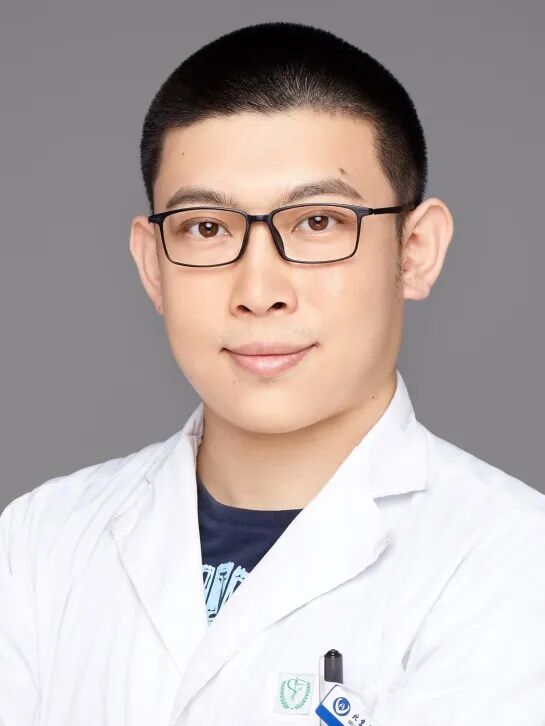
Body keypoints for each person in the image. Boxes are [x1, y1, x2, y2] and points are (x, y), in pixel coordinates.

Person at [1, 20, 544, 726]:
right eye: (206, 227)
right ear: (152, 264)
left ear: (414, 251)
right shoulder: (39, 541)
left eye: (317, 222)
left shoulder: (512, 560)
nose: (259, 291)